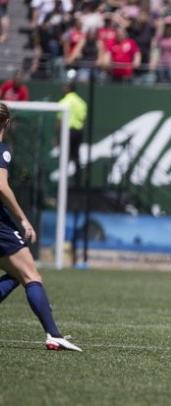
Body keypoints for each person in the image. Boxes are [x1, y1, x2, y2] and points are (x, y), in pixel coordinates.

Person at [0, 102, 82, 351]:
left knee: (18, 273)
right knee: (30, 275)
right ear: (7, 123)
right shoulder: (2, 148)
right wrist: (23, 218)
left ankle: (53, 333)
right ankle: (53, 334)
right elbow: (1, 186)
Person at [58, 82, 87, 185]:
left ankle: (63, 183)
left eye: (65, 86)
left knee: (65, 157)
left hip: (68, 133)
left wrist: (57, 136)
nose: (63, 87)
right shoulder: (81, 102)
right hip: (78, 132)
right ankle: (78, 183)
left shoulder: (64, 101)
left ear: (69, 88)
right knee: (76, 157)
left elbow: (60, 120)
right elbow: (83, 118)